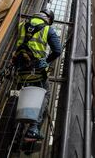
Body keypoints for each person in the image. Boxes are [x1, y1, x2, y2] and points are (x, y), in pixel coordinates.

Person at [12, 8, 62, 142]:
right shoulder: (48, 29)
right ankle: (33, 129)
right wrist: (46, 61)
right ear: (49, 19)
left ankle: (15, 134)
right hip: (36, 72)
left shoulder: (22, 25)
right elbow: (57, 50)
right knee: (45, 94)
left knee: (21, 95)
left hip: (20, 71)